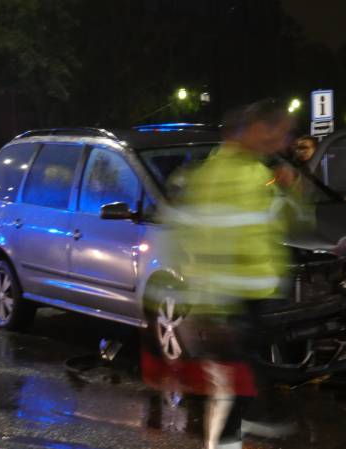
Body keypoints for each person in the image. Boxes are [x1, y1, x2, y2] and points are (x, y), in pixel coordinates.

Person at [144, 99, 293, 449]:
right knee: (236, 390)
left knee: (242, 388)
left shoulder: (258, 173)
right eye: (279, 133)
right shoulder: (211, 177)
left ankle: (241, 430)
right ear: (257, 130)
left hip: (256, 298)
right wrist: (205, 305)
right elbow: (179, 237)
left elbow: (269, 231)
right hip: (226, 303)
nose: (283, 142)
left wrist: (285, 190)